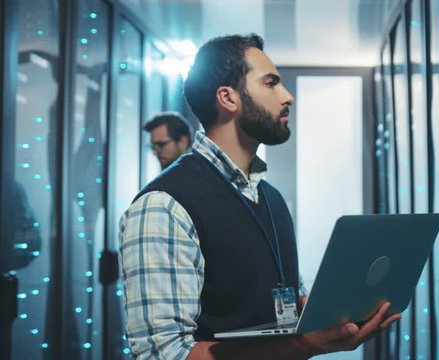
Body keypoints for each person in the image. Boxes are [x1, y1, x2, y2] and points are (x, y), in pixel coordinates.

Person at [119, 34, 400, 360]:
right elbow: (164, 354)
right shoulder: (164, 205)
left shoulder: (271, 198)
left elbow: (282, 309)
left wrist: (335, 315)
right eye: (271, 84)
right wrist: (305, 344)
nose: (288, 97)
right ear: (228, 98)